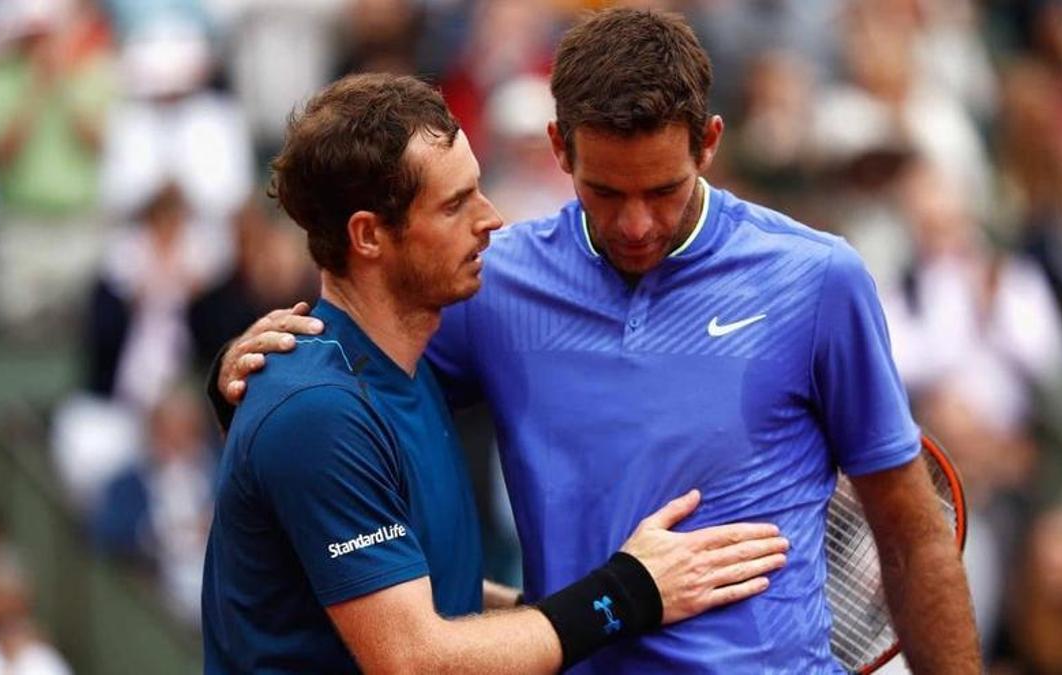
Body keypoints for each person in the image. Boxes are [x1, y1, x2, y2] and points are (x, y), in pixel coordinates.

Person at [214, 9, 980, 673]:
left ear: (709, 142)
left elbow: (912, 533)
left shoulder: (819, 280)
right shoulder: (489, 282)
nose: (637, 223)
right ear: (559, 147)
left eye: (664, 191)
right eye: (606, 192)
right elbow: (354, 390)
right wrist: (249, 379)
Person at [201, 72, 789, 674]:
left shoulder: (400, 371)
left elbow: (398, 586)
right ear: (368, 235)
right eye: (455, 204)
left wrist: (551, 613)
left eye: (477, 190)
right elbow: (414, 659)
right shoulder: (320, 411)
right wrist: (629, 591)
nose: (492, 220)